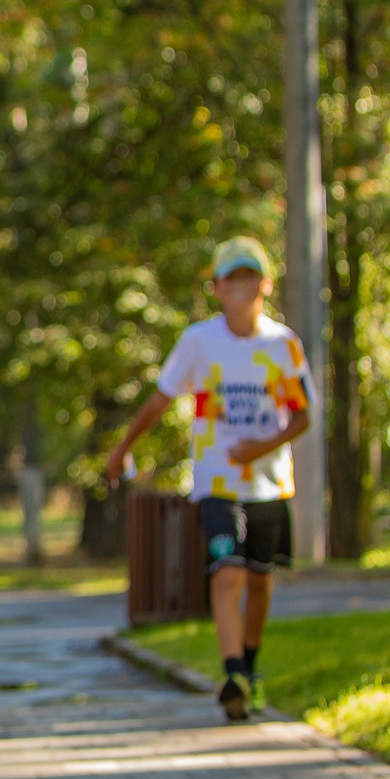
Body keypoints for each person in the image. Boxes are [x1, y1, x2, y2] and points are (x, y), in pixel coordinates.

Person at [102, 235, 313, 723]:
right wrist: (123, 448)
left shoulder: (282, 346)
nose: (240, 287)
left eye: (248, 277)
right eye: (230, 278)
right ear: (215, 288)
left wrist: (262, 447)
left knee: (259, 582)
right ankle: (233, 672)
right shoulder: (200, 342)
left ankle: (252, 670)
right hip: (217, 482)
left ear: (266, 283)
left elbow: (301, 416)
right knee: (228, 571)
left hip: (269, 484)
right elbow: (160, 398)